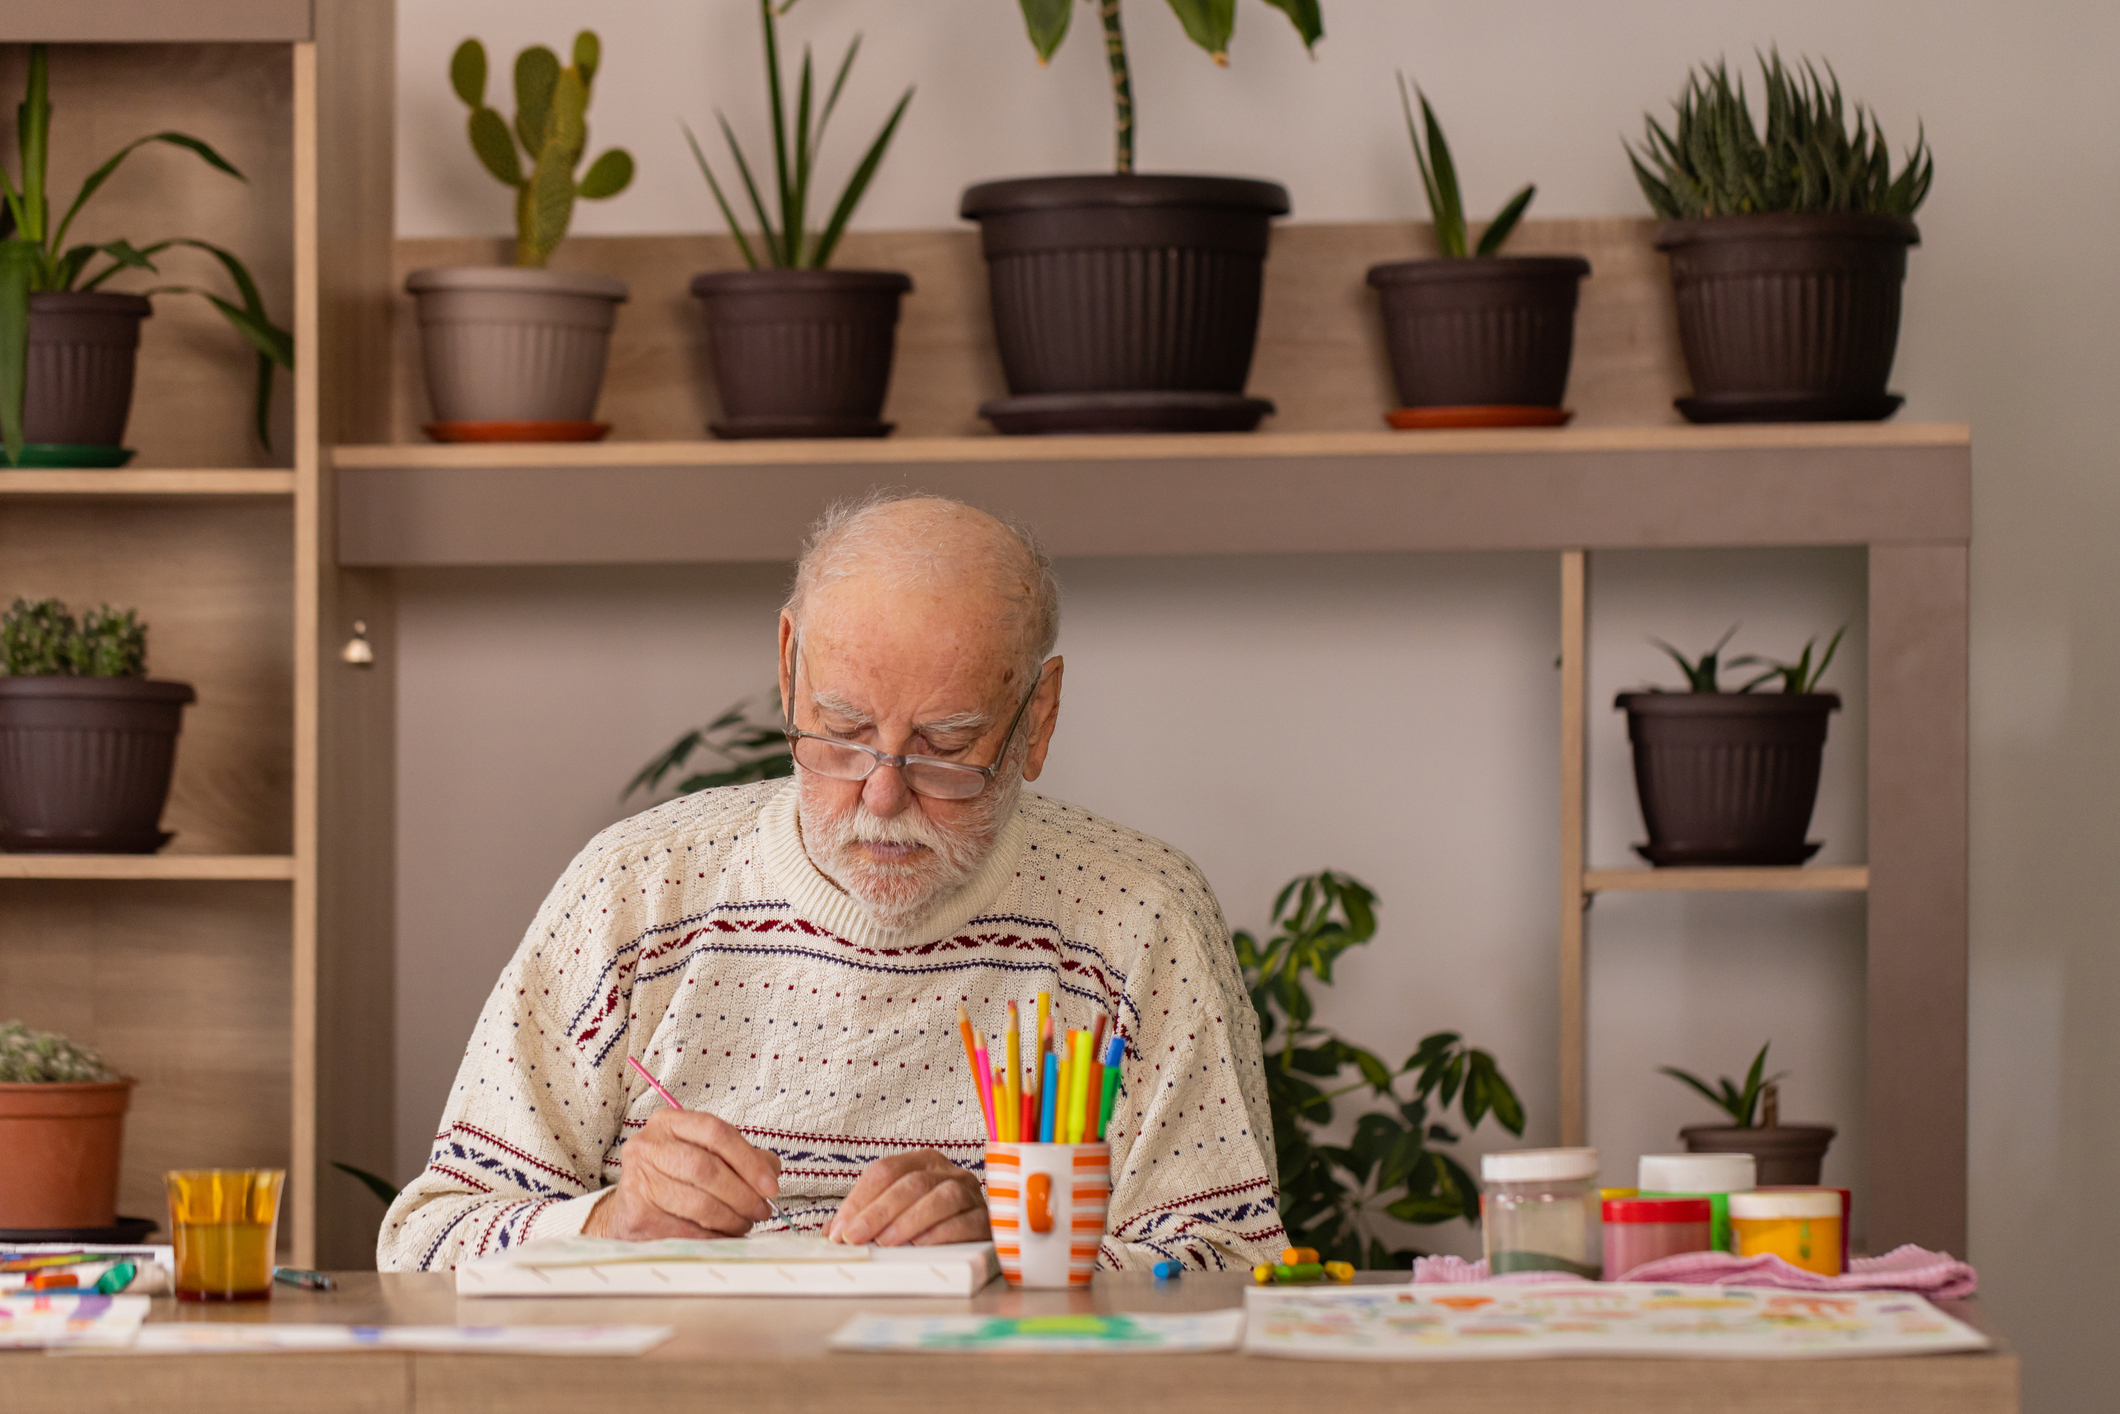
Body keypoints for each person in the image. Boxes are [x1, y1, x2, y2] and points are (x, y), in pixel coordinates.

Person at [379, 491, 1283, 1272]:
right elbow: (425, 1245)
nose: (882, 796)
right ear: (787, 670)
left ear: (1037, 720)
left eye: (945, 747)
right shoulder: (634, 891)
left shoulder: (1138, 918)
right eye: (843, 731)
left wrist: (1015, 1248)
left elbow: (1232, 1264)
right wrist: (607, 1223)